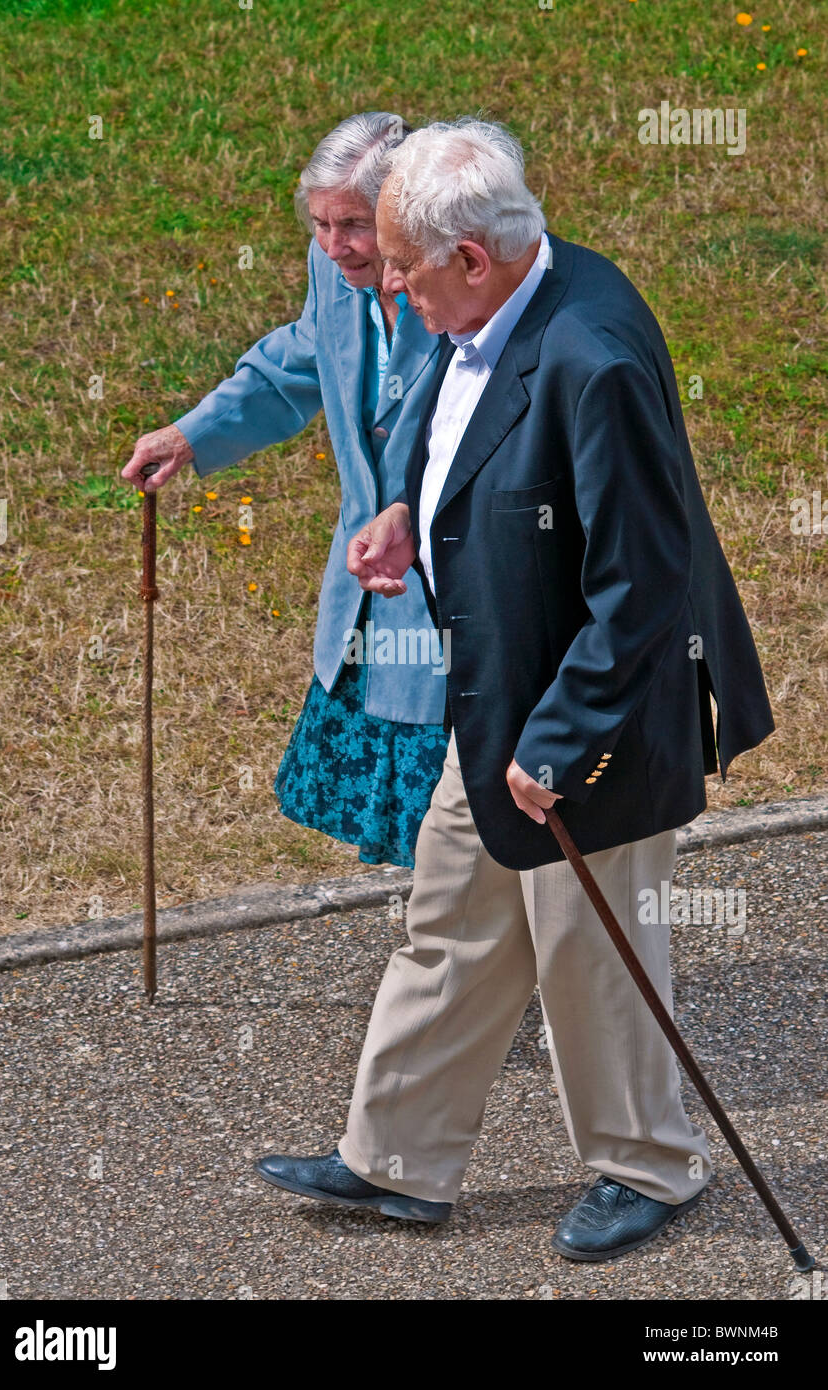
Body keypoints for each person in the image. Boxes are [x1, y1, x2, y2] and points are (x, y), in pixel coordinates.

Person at [253, 119, 776, 1261]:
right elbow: (443, 424)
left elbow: (643, 583)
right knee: (451, 912)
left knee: (593, 944)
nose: (387, 284)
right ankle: (394, 1156)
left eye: (403, 266)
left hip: (595, 713)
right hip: (494, 691)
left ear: (471, 257)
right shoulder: (484, 304)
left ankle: (649, 1168)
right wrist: (399, 508)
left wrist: (557, 744)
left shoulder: (590, 353)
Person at [121, 113, 449, 868]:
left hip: (454, 591)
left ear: (402, 214)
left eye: (356, 226)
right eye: (321, 224)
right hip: (369, 591)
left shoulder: (455, 282)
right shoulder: (334, 273)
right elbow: (303, 359)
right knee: (417, 826)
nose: (335, 246)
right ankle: (462, 958)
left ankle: (469, 961)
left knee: (461, 808)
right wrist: (193, 434)